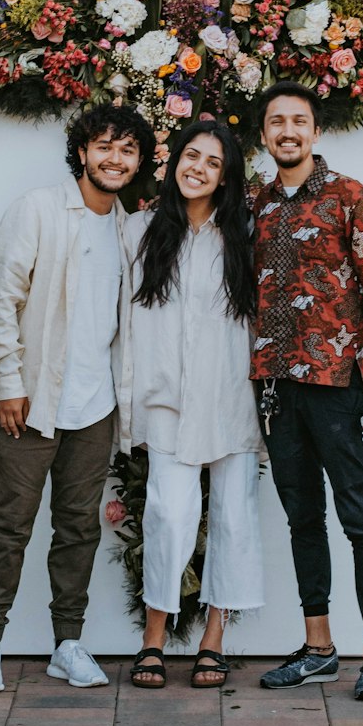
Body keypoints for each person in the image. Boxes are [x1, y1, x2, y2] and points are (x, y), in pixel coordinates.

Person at [0, 103, 155, 693]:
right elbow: (2, 300)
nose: (115, 158)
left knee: (78, 529)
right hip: (32, 401)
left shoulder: (130, 229)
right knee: (10, 526)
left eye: (127, 150)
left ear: (139, 161)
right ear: (82, 151)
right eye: (105, 146)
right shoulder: (39, 210)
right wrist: (8, 383)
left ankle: (66, 645)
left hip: (95, 410)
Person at [251, 82, 363, 701]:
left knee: (361, 517)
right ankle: (318, 646)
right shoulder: (259, 205)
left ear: (316, 132)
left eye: (299, 121)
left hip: (339, 386)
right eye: (275, 122)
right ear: (264, 135)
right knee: (301, 518)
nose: (287, 131)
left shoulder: (350, 196)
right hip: (276, 388)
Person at [122, 119, 263, 690]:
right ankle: (153, 641)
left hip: (231, 395)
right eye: (190, 156)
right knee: (168, 515)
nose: (197, 169)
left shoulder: (246, 236)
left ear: (226, 178)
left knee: (233, 516)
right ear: (173, 160)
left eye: (212, 162)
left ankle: (213, 641)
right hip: (167, 398)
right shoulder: (139, 231)